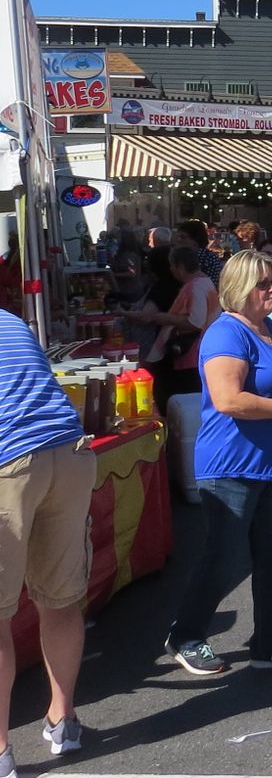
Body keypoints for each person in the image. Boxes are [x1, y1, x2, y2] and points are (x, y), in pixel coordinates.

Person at [164, 251, 272, 676]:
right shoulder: (226, 333)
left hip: (270, 462)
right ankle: (185, 635)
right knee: (225, 558)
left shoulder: (268, 329)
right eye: (263, 283)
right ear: (239, 289)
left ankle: (270, 644)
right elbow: (229, 399)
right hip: (231, 465)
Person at [0, 311, 97, 777]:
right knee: (59, 601)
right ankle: (64, 720)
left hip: (12, 463)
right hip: (70, 452)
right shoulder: (11, 321)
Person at [140, 246, 220, 414]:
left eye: (172, 265)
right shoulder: (204, 282)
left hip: (189, 353)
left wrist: (165, 318)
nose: (171, 269)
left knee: (182, 403)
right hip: (197, 352)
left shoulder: (195, 286)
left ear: (181, 267)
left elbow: (195, 322)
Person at [175, 220, 224, 287]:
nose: (179, 240)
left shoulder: (203, 257)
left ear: (195, 239)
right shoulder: (209, 256)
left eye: (183, 237)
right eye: (178, 237)